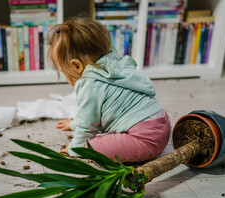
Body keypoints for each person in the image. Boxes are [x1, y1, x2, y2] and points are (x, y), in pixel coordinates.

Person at [48, 17, 171, 163]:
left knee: (91, 147)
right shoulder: (116, 64)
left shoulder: (89, 84)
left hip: (145, 141)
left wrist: (75, 148)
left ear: (76, 66)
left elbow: (87, 126)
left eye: (63, 71)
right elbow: (92, 115)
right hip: (163, 125)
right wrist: (75, 124)